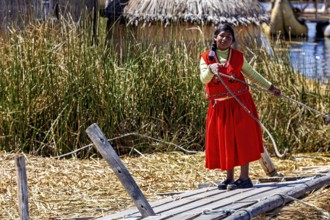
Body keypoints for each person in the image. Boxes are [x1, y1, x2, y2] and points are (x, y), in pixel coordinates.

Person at [199, 23, 281, 190]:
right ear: (215, 37)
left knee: (242, 140)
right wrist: (210, 70)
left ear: (232, 40)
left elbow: (252, 73)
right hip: (220, 108)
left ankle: (244, 178)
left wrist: (270, 87)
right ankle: (229, 178)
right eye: (222, 36)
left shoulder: (237, 56)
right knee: (226, 141)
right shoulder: (206, 57)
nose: (224, 39)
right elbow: (204, 79)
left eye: (228, 37)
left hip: (240, 104)